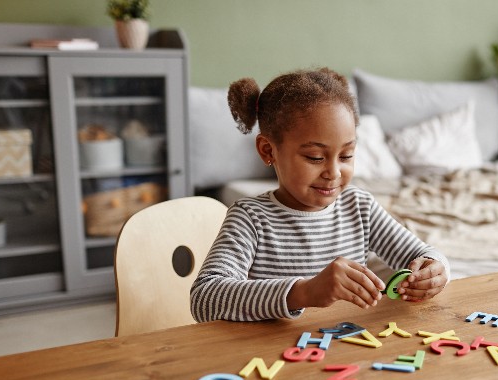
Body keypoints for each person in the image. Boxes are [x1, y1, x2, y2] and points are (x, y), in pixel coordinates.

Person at [191, 68, 450, 322]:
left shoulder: (359, 207)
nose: (334, 172)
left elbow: (423, 255)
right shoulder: (250, 218)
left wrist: (434, 269)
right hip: (272, 359)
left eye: (347, 155)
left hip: (345, 353)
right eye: (315, 157)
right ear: (268, 150)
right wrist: (304, 292)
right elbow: (204, 298)